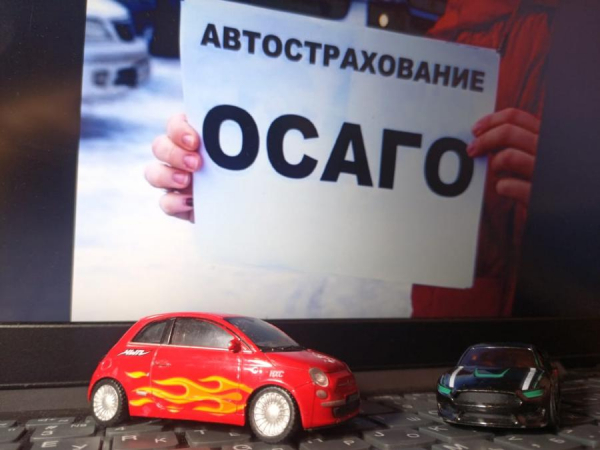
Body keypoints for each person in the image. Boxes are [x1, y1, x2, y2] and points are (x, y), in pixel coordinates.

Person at [144, 0, 556, 317]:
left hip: (557, 356)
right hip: (451, 353)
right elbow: (381, 195)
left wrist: (572, 209)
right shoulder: (448, 32)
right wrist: (234, 185)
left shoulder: (549, 33)